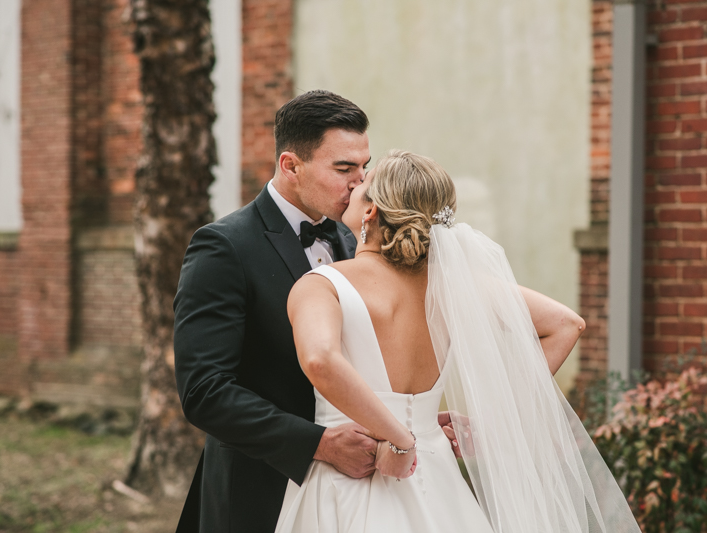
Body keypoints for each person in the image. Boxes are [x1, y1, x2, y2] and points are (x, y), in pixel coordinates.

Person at [276, 150, 642, 532]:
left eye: (363, 183)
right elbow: (566, 325)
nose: (354, 183)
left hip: (348, 481)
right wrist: (488, 422)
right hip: (436, 479)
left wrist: (402, 440)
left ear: (371, 212)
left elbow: (319, 360)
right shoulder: (452, 288)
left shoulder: (322, 285)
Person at [174, 90, 391, 532]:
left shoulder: (352, 241)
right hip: (259, 491)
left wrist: (406, 415)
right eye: (344, 168)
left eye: (364, 167)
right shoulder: (224, 247)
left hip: (356, 494)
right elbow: (205, 392)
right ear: (291, 165)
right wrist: (320, 444)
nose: (360, 183)